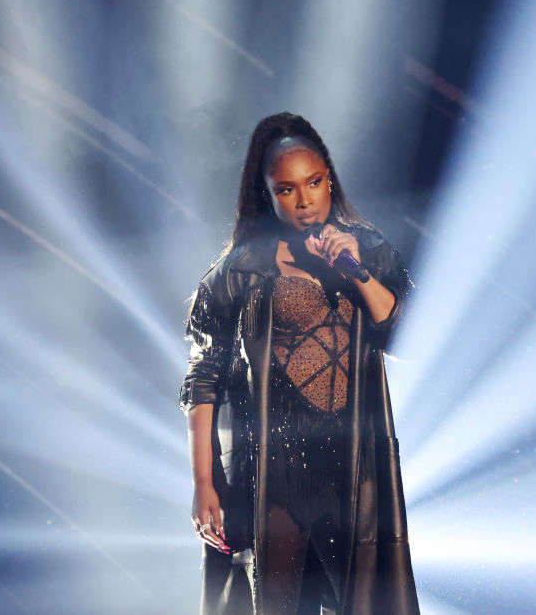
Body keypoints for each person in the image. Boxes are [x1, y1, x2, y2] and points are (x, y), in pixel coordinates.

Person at [179, 112, 420, 614]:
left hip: (353, 466)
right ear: (267, 195)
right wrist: (204, 482)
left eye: (313, 182)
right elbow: (203, 378)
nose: (305, 200)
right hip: (273, 471)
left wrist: (357, 273)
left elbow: (405, 335)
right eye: (286, 189)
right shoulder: (239, 272)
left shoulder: (370, 252)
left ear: (329, 178)